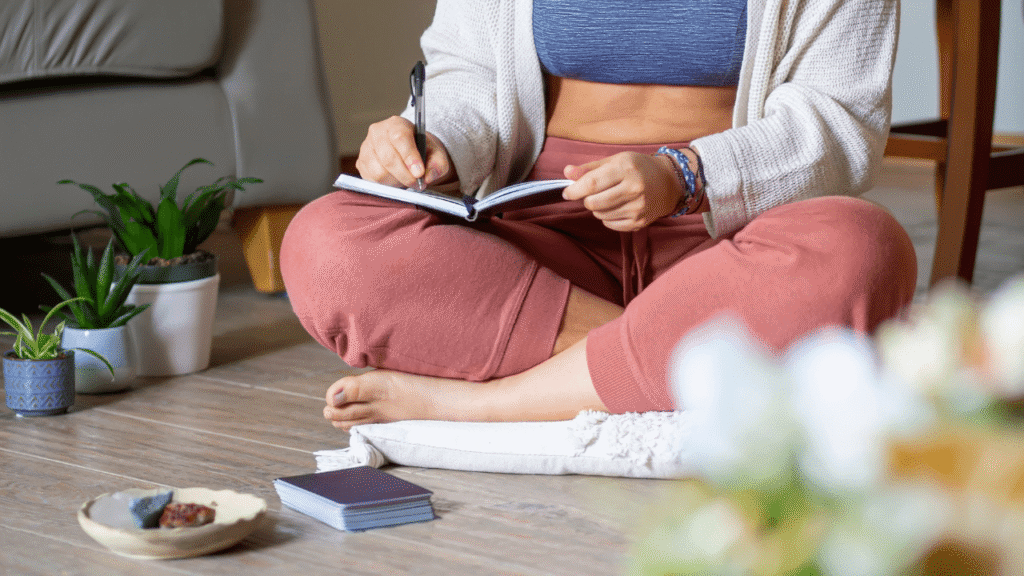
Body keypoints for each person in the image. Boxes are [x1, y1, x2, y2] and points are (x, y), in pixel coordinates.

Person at [280, 0, 915, 431]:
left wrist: (686, 175)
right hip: (543, 235)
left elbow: (839, 122)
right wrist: (435, 144)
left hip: (729, 228)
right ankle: (680, 366)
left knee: (861, 248)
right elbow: (466, 75)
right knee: (323, 245)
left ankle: (486, 406)